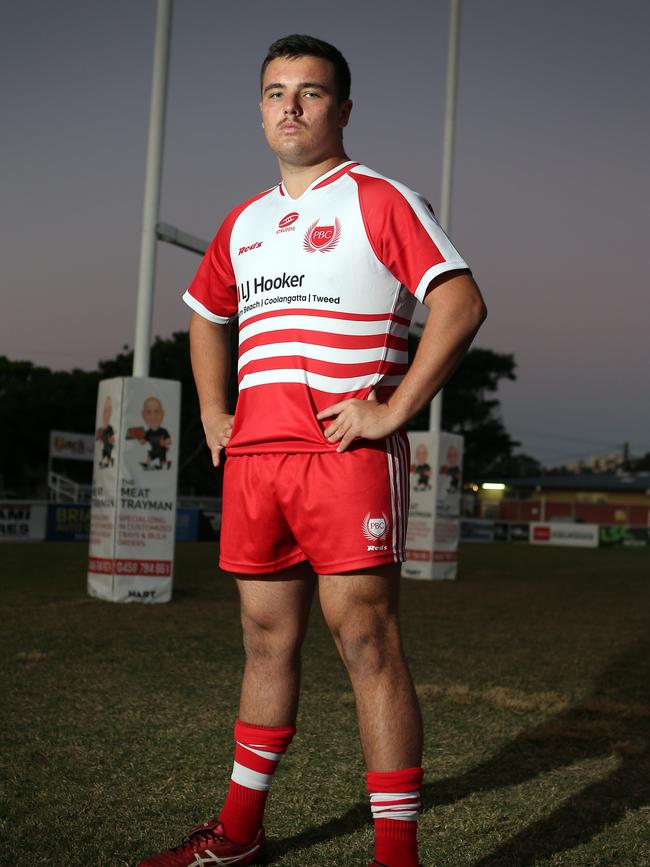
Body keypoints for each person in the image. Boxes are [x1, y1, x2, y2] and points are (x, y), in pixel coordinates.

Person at [138, 34, 486, 867]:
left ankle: (396, 857)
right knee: (265, 641)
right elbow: (204, 314)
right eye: (274, 92)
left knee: (367, 640)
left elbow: (462, 303)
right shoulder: (245, 221)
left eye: (310, 92)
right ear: (260, 108)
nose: (290, 106)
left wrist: (393, 410)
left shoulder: (379, 198)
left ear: (343, 109)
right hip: (258, 462)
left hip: (343, 457)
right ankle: (237, 835)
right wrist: (215, 411)